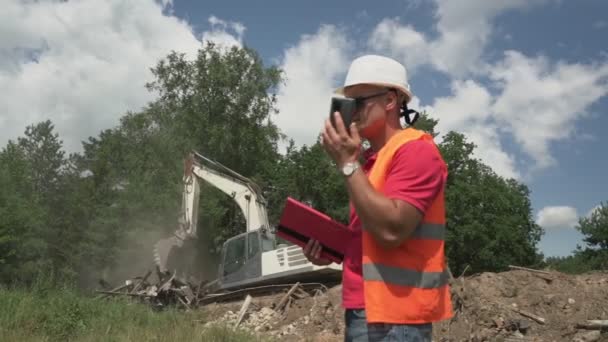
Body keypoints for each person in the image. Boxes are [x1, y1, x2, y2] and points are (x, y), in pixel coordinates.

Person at [303, 55, 453, 341]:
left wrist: (347, 163)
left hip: (397, 317)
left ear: (390, 100)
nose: (350, 112)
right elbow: (373, 239)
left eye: (358, 102)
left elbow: (390, 229)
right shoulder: (370, 163)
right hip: (366, 309)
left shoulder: (416, 151)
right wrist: (334, 251)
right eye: (347, 103)